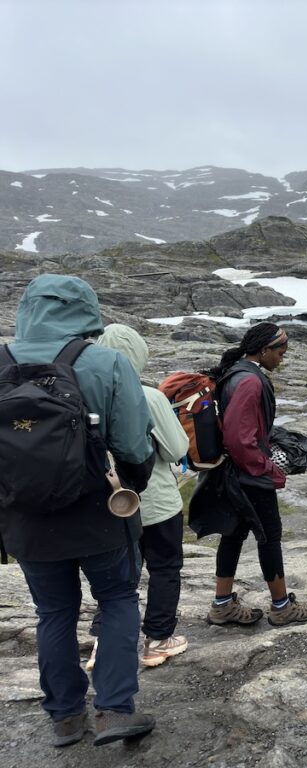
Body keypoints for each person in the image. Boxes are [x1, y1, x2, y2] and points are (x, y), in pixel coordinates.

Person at [0, 275, 156, 747]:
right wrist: (134, 485)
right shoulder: (105, 361)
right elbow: (132, 444)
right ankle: (113, 710)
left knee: (53, 612)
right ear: (87, 312)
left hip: (23, 517)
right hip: (99, 510)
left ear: (27, 309)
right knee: (117, 600)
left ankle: (65, 717)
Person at [200, 322, 307, 627]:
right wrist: (268, 470)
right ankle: (281, 608)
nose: (282, 358)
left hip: (229, 472)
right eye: (280, 352)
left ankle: (222, 604)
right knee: (270, 537)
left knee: (234, 533)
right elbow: (241, 439)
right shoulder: (251, 381)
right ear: (264, 350)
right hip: (248, 475)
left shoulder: (234, 372)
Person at [95, 324, 190, 668]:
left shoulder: (89, 390)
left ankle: (103, 643)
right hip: (157, 503)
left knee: (118, 577)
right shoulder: (149, 395)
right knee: (164, 568)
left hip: (111, 505)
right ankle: (158, 639)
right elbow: (177, 447)